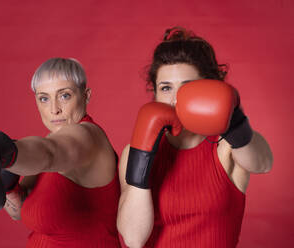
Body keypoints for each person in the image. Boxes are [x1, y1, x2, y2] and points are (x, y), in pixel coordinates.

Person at [0, 58, 121, 247]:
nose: (54, 109)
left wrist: (6, 151)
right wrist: (8, 184)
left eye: (65, 96)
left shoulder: (87, 137)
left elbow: (51, 153)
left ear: (86, 96)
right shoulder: (45, 145)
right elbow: (20, 211)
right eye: (44, 98)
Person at [116, 27, 273, 248]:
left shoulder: (225, 148)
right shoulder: (134, 151)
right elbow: (133, 239)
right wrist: (142, 158)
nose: (175, 100)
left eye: (188, 88)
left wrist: (235, 121)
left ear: (210, 89)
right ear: (155, 94)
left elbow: (263, 164)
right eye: (166, 88)